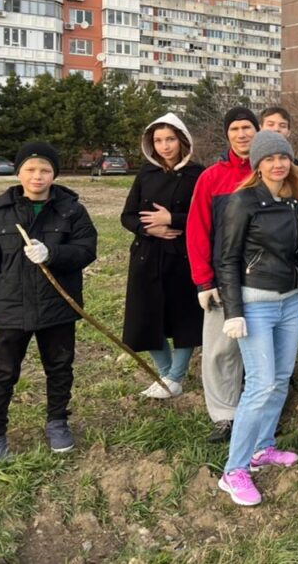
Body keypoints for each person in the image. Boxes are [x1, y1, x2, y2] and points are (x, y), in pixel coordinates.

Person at [215, 131, 298, 506]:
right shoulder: (242, 202)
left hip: (290, 302)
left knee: (280, 378)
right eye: (270, 158)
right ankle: (234, 470)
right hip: (255, 303)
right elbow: (227, 258)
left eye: (283, 157)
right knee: (259, 385)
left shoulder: (296, 204)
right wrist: (234, 311)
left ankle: (263, 447)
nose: (278, 164)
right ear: (257, 164)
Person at [0, 143, 97, 460]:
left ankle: (57, 422)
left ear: (54, 174)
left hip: (57, 307)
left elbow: (86, 250)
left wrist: (53, 253)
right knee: (1, 373)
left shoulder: (71, 210)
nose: (37, 176)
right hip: (10, 308)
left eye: (45, 170)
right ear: (18, 172)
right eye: (30, 169)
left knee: (60, 367)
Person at [186, 107, 259, 443]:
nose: (242, 134)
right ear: (227, 135)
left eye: (247, 127)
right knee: (220, 350)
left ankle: (260, 411)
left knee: (259, 348)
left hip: (264, 280)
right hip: (222, 279)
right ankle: (225, 414)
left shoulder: (272, 171)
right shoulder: (211, 178)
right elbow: (198, 230)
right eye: (235, 129)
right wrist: (204, 280)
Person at [121, 114, 204, 399]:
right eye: (158, 141)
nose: (164, 146)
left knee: (184, 317)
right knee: (146, 316)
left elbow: (207, 216)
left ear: (182, 141)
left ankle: (175, 376)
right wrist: (148, 229)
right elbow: (127, 215)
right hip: (146, 255)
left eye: (170, 139)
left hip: (182, 256)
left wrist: (172, 219)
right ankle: (166, 375)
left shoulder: (198, 174)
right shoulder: (146, 174)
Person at [259, 106, 298, 195]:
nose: (276, 129)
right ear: (260, 128)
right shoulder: (251, 162)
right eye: (270, 124)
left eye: (282, 126)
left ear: (289, 132)